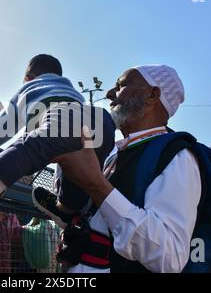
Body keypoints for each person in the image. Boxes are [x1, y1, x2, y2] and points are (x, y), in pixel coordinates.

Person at [51, 65, 201, 273]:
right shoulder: (114, 153)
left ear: (152, 95)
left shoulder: (176, 156)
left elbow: (170, 257)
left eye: (121, 86)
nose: (109, 93)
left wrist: (96, 185)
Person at [0, 54, 115, 230]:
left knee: (30, 148)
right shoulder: (71, 92)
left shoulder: (30, 88)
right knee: (78, 174)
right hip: (100, 121)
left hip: (59, 120)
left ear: (27, 79)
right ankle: (66, 209)